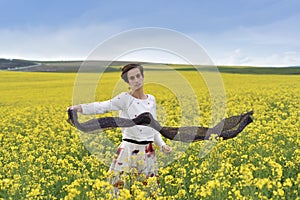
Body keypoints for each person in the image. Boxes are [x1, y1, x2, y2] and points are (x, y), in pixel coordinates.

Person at [68, 63, 171, 190]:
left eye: (138, 76)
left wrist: (162, 145)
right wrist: (80, 108)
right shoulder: (125, 98)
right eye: (132, 78)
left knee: (147, 191)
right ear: (128, 82)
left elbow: (153, 127)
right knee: (120, 190)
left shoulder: (152, 100)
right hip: (128, 150)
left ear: (143, 77)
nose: (136, 80)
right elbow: (103, 106)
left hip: (147, 152)